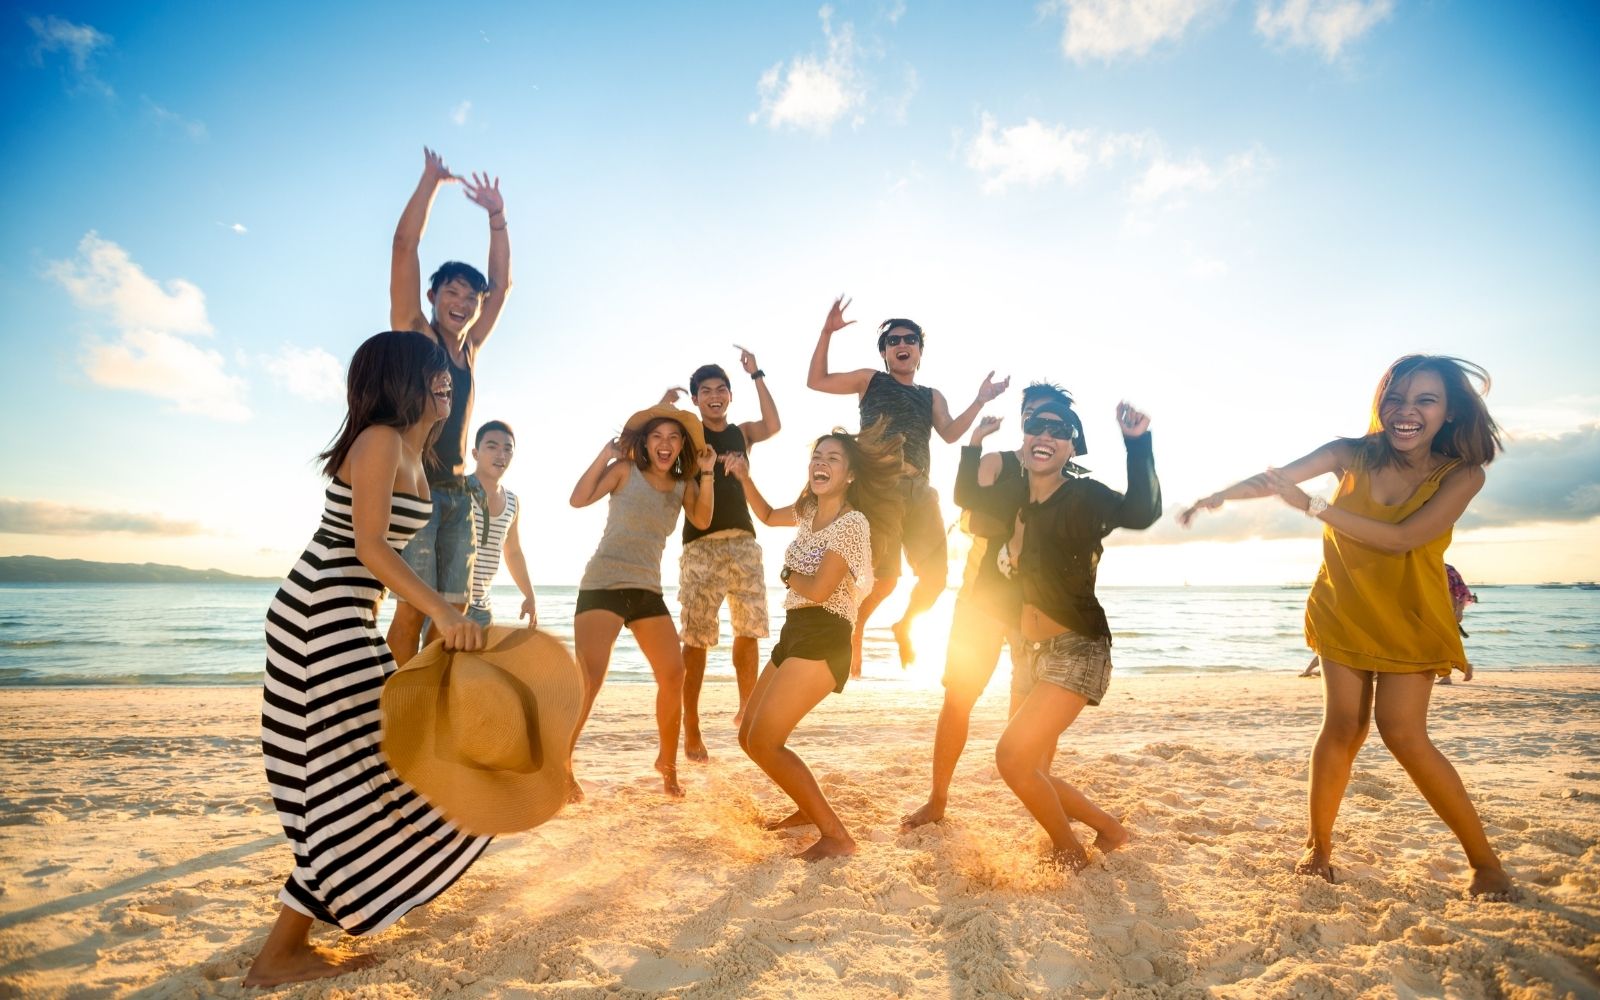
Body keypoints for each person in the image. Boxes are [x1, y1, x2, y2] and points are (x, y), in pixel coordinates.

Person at [1179, 354, 1513, 900]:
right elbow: (1276, 479)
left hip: (1409, 616)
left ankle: (1485, 862)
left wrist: (1312, 507)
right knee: (1342, 728)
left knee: (1403, 733)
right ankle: (1319, 849)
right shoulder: (1349, 452)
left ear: (1449, 413)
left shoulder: (1462, 475)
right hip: (1344, 607)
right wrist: (1217, 496)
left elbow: (1402, 538)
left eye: (1425, 400)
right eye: (1396, 398)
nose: (1406, 411)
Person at [247, 331, 488, 987]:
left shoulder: (414, 449)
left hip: (341, 615)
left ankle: (284, 948)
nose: (445, 382)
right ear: (400, 379)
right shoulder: (380, 439)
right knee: (360, 775)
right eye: (434, 374)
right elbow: (370, 549)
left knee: (363, 775)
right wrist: (438, 610)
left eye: (447, 375)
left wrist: (429, 603)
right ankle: (277, 956)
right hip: (317, 616)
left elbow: (374, 566)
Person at [989, 397, 1160, 870]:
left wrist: (1137, 444)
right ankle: (1110, 829)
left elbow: (1141, 512)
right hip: (1026, 654)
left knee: (1012, 759)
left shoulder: (1083, 497)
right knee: (1032, 769)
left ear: (1071, 449)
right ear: (1024, 440)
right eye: (1036, 427)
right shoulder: (1016, 506)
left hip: (1077, 648)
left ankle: (1071, 850)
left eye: (1059, 430)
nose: (1046, 435)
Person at [723, 421, 904, 860]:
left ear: (850, 476)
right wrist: (745, 477)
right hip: (795, 631)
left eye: (833, 459)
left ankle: (837, 837)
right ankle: (806, 810)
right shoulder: (807, 512)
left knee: (767, 741)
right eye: (816, 457)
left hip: (825, 634)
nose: (820, 464)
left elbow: (821, 589)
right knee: (749, 735)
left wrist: (786, 574)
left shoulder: (852, 523)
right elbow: (766, 516)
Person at [901, 381, 1077, 830]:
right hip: (981, 598)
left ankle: (1039, 794)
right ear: (1022, 420)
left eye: (1052, 420)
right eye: (1034, 416)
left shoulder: (1066, 476)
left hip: (1036, 609)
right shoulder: (998, 462)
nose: (1042, 426)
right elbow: (972, 513)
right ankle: (938, 799)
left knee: (1030, 712)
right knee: (958, 698)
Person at [806, 296, 1008, 673]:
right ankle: (857, 627)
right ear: (885, 352)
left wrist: (979, 401)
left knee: (936, 579)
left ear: (919, 352)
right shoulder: (871, 381)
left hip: (920, 492)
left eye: (910, 340)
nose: (902, 345)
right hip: (880, 488)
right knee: (886, 579)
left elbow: (949, 433)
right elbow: (816, 381)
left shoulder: (931, 396)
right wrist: (826, 333)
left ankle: (904, 625)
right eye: (894, 341)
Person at [386, 146, 513, 666]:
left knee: (455, 611)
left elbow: (502, 285)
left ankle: (429, 707)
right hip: (415, 491)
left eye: (470, 298)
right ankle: (390, 706)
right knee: (415, 612)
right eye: (453, 293)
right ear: (435, 293)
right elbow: (403, 246)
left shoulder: (469, 349)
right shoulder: (417, 335)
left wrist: (497, 218)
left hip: (460, 494)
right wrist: (430, 182)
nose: (462, 304)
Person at [569, 405, 716, 798]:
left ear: (681, 444)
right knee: (590, 678)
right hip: (602, 584)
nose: (665, 444)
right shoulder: (623, 471)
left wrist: (707, 471)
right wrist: (606, 454)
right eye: (657, 436)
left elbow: (702, 520)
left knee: (673, 674)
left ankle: (667, 765)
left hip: (647, 590)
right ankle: (562, 762)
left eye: (673, 437)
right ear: (646, 444)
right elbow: (578, 499)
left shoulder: (685, 486)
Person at [661, 348, 781, 761]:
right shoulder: (689, 437)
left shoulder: (742, 433)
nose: (714, 396)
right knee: (696, 641)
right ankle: (690, 725)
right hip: (700, 545)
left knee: (749, 630)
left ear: (730, 395)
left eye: (721, 390)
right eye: (706, 391)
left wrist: (756, 374)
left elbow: (773, 424)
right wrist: (665, 406)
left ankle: (747, 708)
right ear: (695, 399)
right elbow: (647, 438)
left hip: (743, 541)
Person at [464, 420, 537, 629]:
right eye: (492, 446)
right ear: (475, 453)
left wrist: (530, 596)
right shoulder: (457, 489)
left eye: (507, 449)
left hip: (483, 609)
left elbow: (513, 552)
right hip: (449, 604)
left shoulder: (513, 502)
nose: (501, 455)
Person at [1436, 564, 1478, 685]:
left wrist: (1459, 611)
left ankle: (1459, 669)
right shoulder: (1422, 566)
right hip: (1435, 610)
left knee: (1445, 643)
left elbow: (1462, 591)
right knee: (1443, 643)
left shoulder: (1447, 568)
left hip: (1449, 611)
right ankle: (1460, 669)